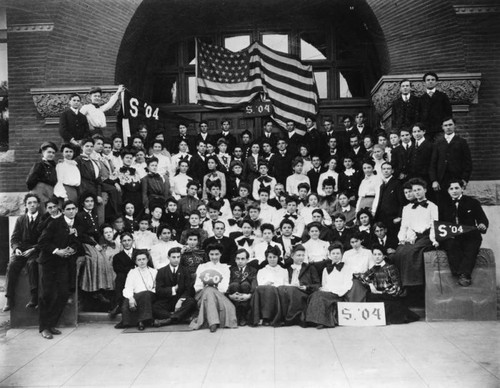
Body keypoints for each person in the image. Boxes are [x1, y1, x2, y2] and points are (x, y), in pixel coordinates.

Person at [37, 200, 83, 339]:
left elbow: (77, 242)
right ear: (63, 211)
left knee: (63, 293)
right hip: (49, 262)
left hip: (63, 263)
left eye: (73, 208)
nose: (71, 211)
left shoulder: (76, 224)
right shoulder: (54, 223)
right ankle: (43, 328)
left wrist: (71, 249)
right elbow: (42, 242)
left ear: (76, 210)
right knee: (47, 294)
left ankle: (51, 324)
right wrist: (57, 251)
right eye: (68, 209)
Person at [439, 180, 489, 286]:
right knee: (451, 246)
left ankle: (465, 275)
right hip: (451, 236)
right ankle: (458, 273)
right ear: (448, 191)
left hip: (469, 235)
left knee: (471, 247)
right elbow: (440, 223)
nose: (454, 191)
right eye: (451, 189)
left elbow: (482, 218)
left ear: (462, 189)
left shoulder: (472, 202)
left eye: (457, 188)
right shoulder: (443, 205)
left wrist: (482, 225)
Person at [393, 178, 439, 288]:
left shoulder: (432, 206)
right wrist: (402, 239)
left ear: (425, 190)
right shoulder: (407, 208)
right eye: (414, 190)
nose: (416, 192)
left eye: (419, 189)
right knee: (400, 252)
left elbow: (434, 225)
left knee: (413, 251)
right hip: (412, 236)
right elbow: (404, 226)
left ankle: (415, 284)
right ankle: (402, 285)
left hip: (426, 237)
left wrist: (433, 240)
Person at [305, 243, 361, 328]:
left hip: (339, 294)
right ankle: (313, 320)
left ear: (342, 255)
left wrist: (335, 292)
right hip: (328, 291)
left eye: (338, 253)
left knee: (320, 297)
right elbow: (325, 283)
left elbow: (347, 285)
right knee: (315, 294)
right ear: (329, 255)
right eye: (333, 254)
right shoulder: (326, 269)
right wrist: (324, 289)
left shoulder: (347, 268)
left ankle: (323, 322)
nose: (335, 256)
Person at [360, 246, 420, 324]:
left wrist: (380, 292)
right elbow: (363, 277)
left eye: (379, 254)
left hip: (389, 296)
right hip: (377, 296)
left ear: (384, 256)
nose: (377, 257)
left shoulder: (390, 268)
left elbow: (396, 288)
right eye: (374, 254)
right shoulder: (374, 268)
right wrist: (370, 284)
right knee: (369, 296)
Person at [3, 193, 42, 312]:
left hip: (36, 250)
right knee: (12, 264)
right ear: (25, 205)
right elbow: (14, 238)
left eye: (34, 202)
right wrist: (16, 248)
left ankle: (34, 297)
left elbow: (46, 240)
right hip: (22, 250)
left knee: (32, 264)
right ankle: (9, 299)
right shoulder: (21, 219)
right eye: (29, 203)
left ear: (39, 204)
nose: (32, 205)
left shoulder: (44, 219)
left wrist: (34, 249)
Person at [189, 244, 238, 332]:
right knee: (208, 290)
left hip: (219, 295)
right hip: (202, 295)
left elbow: (224, 286)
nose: (214, 257)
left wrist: (213, 287)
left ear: (221, 254)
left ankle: (212, 322)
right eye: (211, 254)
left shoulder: (225, 268)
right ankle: (213, 322)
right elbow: (197, 286)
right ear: (208, 254)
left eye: (216, 254)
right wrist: (207, 286)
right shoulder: (202, 267)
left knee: (210, 291)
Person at [77, 193, 114, 304]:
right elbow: (81, 234)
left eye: (92, 201)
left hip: (93, 241)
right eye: (87, 201)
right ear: (83, 203)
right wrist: (93, 243)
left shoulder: (94, 214)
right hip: (85, 242)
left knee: (104, 258)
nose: (90, 203)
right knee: (94, 258)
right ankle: (93, 290)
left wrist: (100, 243)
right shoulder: (80, 215)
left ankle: (102, 288)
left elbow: (97, 232)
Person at [429, 118, 472, 205]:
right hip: (441, 180)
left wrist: (464, 179)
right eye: (445, 125)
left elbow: (468, 162)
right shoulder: (438, 143)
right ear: (442, 127)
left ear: (454, 126)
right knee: (442, 203)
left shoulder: (461, 142)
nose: (448, 127)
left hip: (457, 178)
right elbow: (433, 163)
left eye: (450, 125)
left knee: (456, 203)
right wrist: (434, 180)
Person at [152, 247, 197, 326]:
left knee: (191, 302)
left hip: (181, 299)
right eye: (173, 257)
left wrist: (181, 300)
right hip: (167, 299)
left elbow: (189, 289)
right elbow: (159, 290)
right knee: (155, 307)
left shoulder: (185, 270)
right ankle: (180, 317)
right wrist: (172, 289)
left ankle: (168, 320)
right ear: (168, 257)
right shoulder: (161, 271)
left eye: (178, 257)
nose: (176, 259)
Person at [278, 245, 320, 326]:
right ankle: (282, 317)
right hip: (289, 290)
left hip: (303, 292)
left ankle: (290, 319)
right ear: (292, 256)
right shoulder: (287, 268)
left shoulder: (310, 268)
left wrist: (306, 287)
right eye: (298, 255)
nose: (301, 257)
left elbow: (317, 284)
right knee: (281, 289)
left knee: (292, 290)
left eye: (303, 255)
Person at [118, 251, 157, 330]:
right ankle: (141, 321)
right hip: (137, 296)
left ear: (147, 260)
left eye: (144, 259)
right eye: (139, 260)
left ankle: (139, 321)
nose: (142, 261)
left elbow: (156, 288)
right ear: (135, 261)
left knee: (146, 294)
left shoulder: (154, 272)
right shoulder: (132, 272)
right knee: (128, 301)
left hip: (150, 295)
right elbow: (128, 287)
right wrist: (131, 298)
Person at [250, 245, 288, 326]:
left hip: (280, 293)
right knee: (267, 290)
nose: (272, 259)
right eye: (270, 257)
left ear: (278, 258)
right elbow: (260, 285)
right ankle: (266, 317)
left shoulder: (284, 271)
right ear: (266, 258)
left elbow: (286, 284)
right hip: (266, 294)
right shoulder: (262, 271)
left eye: (274, 257)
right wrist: (266, 284)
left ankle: (278, 317)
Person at [110, 233, 140, 320]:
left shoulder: (139, 253)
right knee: (120, 277)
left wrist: (128, 268)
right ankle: (119, 304)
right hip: (125, 279)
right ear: (121, 243)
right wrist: (133, 267)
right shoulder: (117, 257)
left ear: (133, 241)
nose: (127, 243)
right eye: (124, 241)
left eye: (129, 240)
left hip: (140, 277)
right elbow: (118, 269)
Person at [416, 72, 452, 141]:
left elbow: (448, 114)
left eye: (433, 80)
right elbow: (418, 116)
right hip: (426, 132)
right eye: (428, 80)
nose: (430, 82)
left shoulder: (443, 96)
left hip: (440, 130)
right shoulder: (421, 99)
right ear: (424, 83)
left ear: (436, 82)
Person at [228, 249, 257, 326]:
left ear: (247, 260)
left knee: (245, 284)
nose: (240, 261)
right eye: (238, 259)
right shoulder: (231, 270)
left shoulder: (252, 270)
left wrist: (249, 295)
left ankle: (243, 315)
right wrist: (229, 295)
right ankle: (237, 315)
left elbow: (254, 282)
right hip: (234, 293)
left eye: (243, 259)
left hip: (246, 294)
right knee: (234, 284)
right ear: (235, 259)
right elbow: (227, 283)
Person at [374, 161, 404, 239]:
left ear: (392, 171)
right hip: (383, 218)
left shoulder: (397, 183)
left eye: (388, 169)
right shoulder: (382, 185)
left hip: (393, 218)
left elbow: (402, 201)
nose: (386, 171)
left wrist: (400, 216)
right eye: (384, 169)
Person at [26, 142, 58, 211]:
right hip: (40, 193)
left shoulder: (54, 166)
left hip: (50, 194)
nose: (51, 154)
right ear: (43, 153)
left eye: (53, 153)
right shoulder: (39, 165)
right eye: (49, 152)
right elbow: (30, 181)